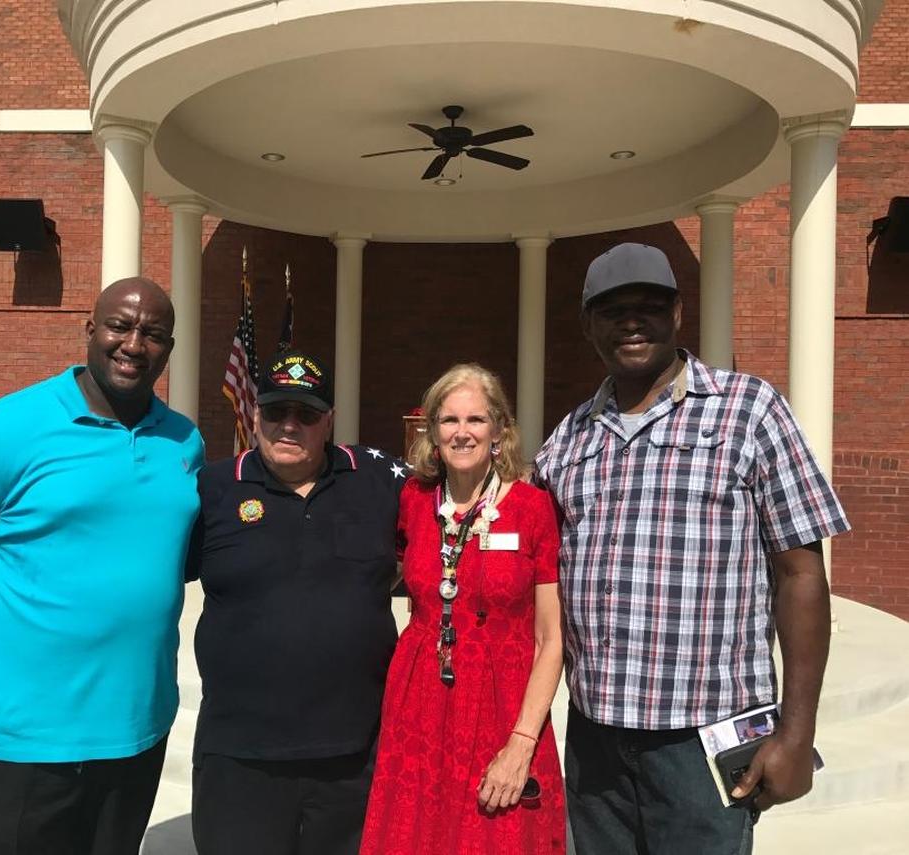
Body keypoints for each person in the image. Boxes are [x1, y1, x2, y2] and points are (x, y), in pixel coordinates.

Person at [535, 242, 851, 855]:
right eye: (612, 309)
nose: (632, 321)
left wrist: (797, 729)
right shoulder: (568, 439)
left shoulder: (748, 411)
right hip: (596, 738)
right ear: (588, 325)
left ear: (678, 314)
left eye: (650, 306)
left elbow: (800, 575)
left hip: (704, 742)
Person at [0, 278, 203, 855]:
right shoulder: (8, 428)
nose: (134, 344)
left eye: (153, 334)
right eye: (119, 325)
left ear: (168, 347)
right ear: (90, 329)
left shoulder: (181, 440)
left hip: (136, 726)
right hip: (24, 736)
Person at [186, 349, 407, 855]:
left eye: (306, 414)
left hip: (355, 758)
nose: (289, 426)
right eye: (276, 411)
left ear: (328, 421)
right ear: (255, 414)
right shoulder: (213, 489)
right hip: (238, 758)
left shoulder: (378, 481)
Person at [360, 363, 566, 855]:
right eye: (449, 420)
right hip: (420, 704)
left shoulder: (533, 508)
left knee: (499, 834)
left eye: (476, 420)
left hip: (505, 703)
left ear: (498, 429)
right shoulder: (413, 500)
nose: (462, 432)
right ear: (432, 431)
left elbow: (550, 638)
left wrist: (521, 743)